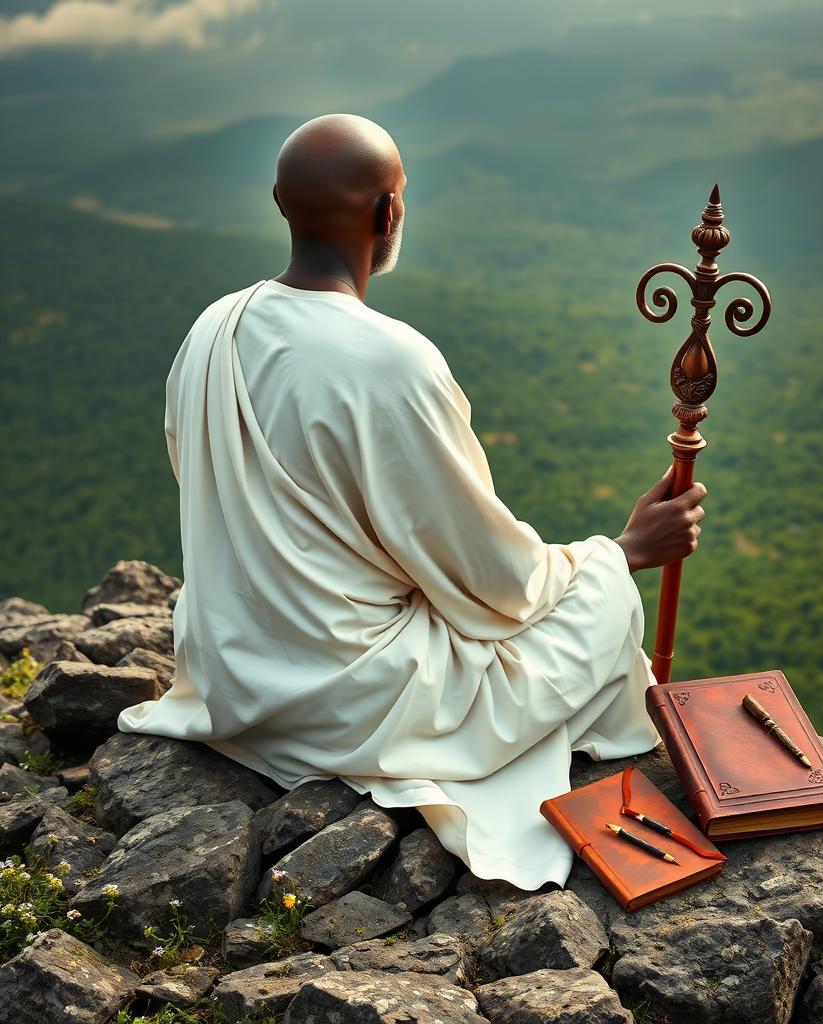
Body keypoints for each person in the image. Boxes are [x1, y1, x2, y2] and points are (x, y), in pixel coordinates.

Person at [118, 113, 708, 890]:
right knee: (601, 609)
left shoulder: (211, 328)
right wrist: (624, 553)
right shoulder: (390, 361)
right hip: (347, 703)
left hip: (230, 675)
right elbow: (494, 582)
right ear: (388, 214)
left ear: (278, 203)